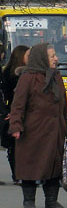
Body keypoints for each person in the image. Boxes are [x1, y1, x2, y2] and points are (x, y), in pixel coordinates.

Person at [8, 43, 67, 208]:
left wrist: (66, 128)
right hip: (33, 130)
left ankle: (51, 201)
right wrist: (15, 126)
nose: (56, 59)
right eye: (52, 56)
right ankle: (29, 200)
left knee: (54, 166)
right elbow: (18, 105)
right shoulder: (28, 77)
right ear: (41, 58)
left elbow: (63, 106)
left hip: (55, 130)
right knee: (30, 164)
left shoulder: (56, 76)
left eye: (55, 55)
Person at [2, 45, 30, 183]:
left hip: (10, 111)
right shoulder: (19, 76)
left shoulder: (6, 72)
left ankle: (17, 175)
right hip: (16, 112)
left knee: (14, 146)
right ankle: (20, 174)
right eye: (27, 56)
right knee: (17, 145)